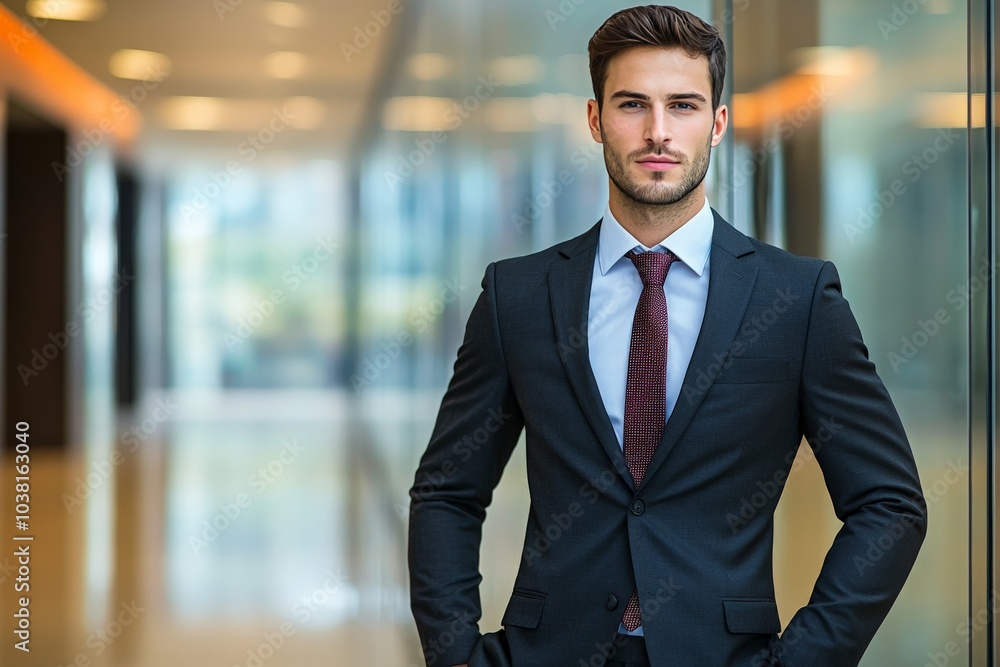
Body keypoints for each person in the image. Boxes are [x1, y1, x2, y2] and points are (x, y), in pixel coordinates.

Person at [406, 5, 927, 666]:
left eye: (683, 105)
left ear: (718, 123)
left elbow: (889, 503)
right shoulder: (519, 296)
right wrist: (456, 654)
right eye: (632, 104)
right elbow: (447, 490)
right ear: (595, 119)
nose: (658, 131)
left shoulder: (796, 299)